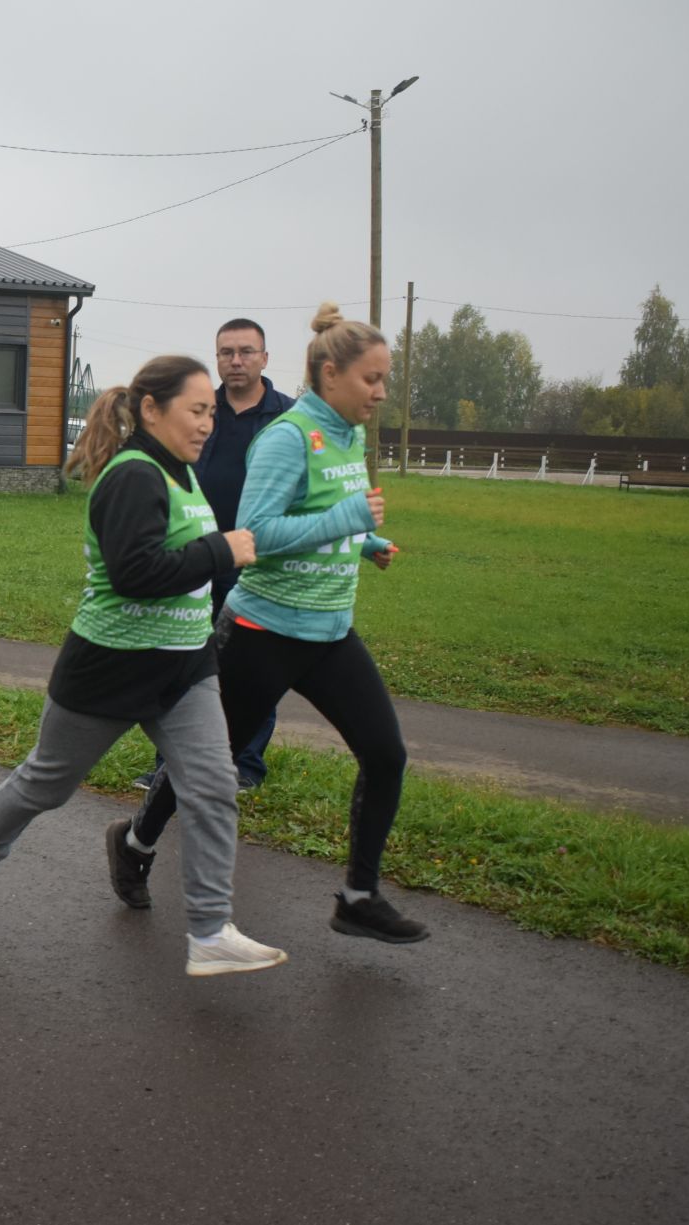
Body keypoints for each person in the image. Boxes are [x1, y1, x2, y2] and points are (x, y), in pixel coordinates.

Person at [0, 354, 284, 978]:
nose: (208, 423)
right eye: (196, 410)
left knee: (211, 788)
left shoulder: (181, 472)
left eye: (211, 411)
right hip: (111, 667)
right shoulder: (133, 476)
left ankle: (209, 930)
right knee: (47, 782)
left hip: (185, 666)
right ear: (152, 409)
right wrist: (220, 549)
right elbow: (135, 575)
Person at [130, 303, 425, 944]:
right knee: (204, 764)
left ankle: (358, 895)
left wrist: (366, 541)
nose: (381, 392)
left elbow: (325, 515)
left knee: (386, 754)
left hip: (328, 632)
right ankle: (133, 843)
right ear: (329, 374)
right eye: (371, 379)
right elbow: (256, 533)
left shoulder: (347, 435)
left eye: (385, 379)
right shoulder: (288, 436)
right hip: (262, 632)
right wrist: (347, 521)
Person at [131, 319, 297, 793]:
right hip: (196, 555)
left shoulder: (287, 418)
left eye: (246, 352)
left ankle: (243, 765)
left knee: (253, 669)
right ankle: (170, 767)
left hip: (258, 562)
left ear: (265, 358)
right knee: (181, 659)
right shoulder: (200, 411)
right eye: (226, 352)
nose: (236, 361)